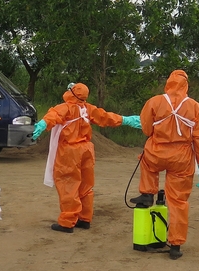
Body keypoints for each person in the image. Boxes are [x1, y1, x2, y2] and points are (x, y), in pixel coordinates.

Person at [31, 82, 141, 233]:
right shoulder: (88, 109)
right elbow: (106, 117)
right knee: (85, 185)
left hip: (69, 151)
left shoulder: (65, 107)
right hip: (86, 149)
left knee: (68, 184)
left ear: (72, 92)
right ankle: (84, 218)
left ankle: (67, 222)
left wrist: (41, 125)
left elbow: (52, 117)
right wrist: (126, 120)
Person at [129, 69, 199, 260]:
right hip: (182, 158)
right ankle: (175, 245)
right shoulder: (196, 107)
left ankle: (148, 193)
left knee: (147, 161)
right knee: (179, 202)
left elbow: (147, 129)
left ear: (168, 83)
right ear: (186, 85)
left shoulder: (154, 102)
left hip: (156, 152)